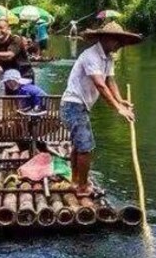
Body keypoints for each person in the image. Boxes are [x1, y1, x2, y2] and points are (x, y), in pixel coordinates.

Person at [60, 21, 141, 197]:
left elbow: (110, 81)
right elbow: (100, 85)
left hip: (80, 105)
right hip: (73, 104)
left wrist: (121, 101)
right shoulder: (91, 56)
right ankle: (82, 187)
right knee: (86, 147)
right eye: (116, 41)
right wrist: (118, 109)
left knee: (78, 145)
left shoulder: (108, 58)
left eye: (121, 41)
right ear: (105, 38)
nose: (119, 45)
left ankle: (76, 181)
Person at [0, 17, 35, 83]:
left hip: (24, 75)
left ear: (8, 29)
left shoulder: (15, 39)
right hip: (9, 77)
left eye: (1, 28)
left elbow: (9, 56)